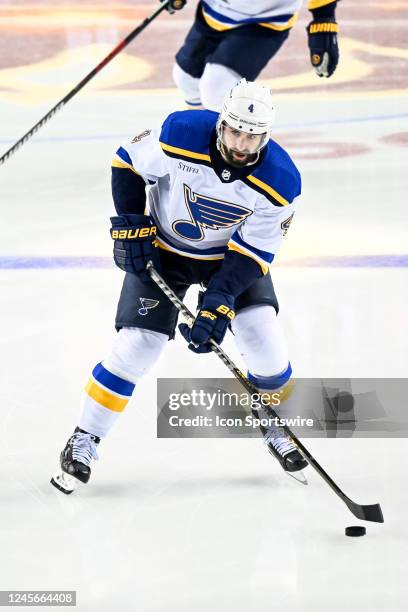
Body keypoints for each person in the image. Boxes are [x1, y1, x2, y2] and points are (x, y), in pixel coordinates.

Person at [51, 79, 307, 494]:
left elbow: (253, 253)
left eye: (253, 136)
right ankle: (84, 439)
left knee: (264, 340)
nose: (242, 144)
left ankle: (276, 426)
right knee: (139, 345)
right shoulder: (180, 133)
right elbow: (127, 163)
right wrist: (131, 223)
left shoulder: (281, 180)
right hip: (164, 251)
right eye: (235, 131)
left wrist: (219, 300)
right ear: (222, 123)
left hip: (228, 260)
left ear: (267, 136)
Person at [172, 0, 340, 110]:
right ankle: (199, 141)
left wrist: (324, 19)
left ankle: (224, 154)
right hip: (215, 12)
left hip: (266, 20)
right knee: (186, 79)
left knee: (217, 87)